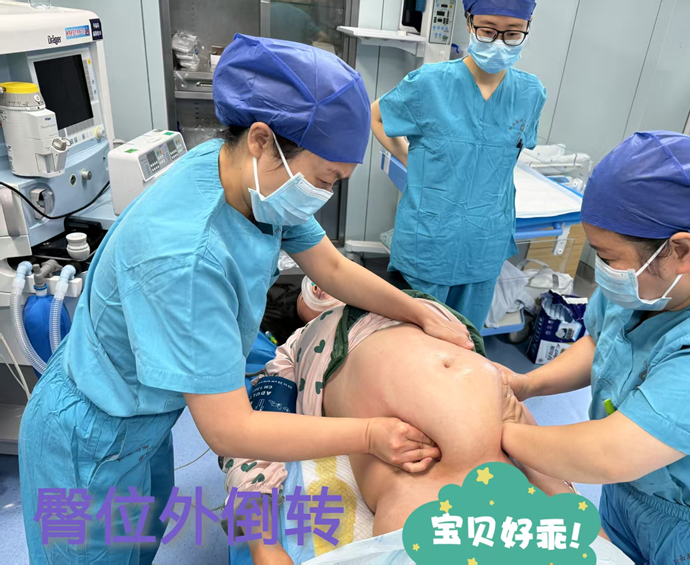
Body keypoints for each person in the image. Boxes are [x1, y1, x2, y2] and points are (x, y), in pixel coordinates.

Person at [18, 35, 475, 564]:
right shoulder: (185, 260)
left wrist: (416, 310)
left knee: (137, 543)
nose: (323, 195)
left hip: (143, 423)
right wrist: (371, 434)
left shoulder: (249, 180)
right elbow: (230, 429)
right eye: (324, 179)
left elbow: (329, 267)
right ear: (262, 139)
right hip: (91, 437)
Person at [499, 132, 690, 563]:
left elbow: (614, 452)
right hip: (633, 496)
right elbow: (605, 342)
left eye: (608, 258)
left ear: (680, 250)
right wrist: (525, 385)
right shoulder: (652, 283)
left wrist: (493, 428)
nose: (601, 271)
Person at [220, 291, 575, 564]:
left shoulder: (409, 301)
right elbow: (250, 440)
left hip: (504, 421)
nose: (321, 286)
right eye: (308, 289)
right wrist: (265, 547)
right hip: (417, 476)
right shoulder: (295, 349)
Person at [371, 0, 547, 329]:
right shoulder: (429, 83)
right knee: (415, 340)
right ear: (469, 22)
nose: (499, 42)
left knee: (466, 338)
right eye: (488, 30)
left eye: (512, 33)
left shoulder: (530, 92)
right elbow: (376, 116)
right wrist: (407, 157)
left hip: (485, 241)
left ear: (528, 26)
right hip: (429, 240)